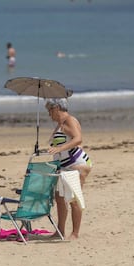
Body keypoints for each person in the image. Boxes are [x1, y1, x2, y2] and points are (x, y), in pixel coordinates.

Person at [45, 98, 92, 240]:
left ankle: (75, 233)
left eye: (50, 110)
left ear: (57, 108)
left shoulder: (69, 120)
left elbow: (78, 139)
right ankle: (59, 231)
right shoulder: (59, 124)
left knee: (73, 198)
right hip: (64, 165)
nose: (49, 114)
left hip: (76, 164)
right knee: (59, 198)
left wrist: (59, 148)